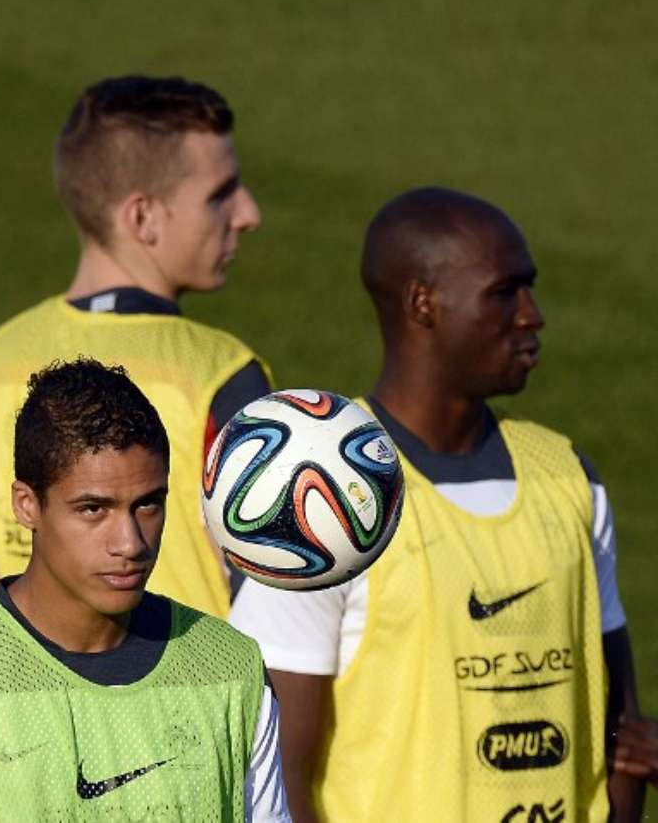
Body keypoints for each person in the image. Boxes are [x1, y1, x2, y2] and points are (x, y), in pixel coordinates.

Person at [228, 186, 645, 821]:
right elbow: (276, 771)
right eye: (505, 292)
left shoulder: (568, 478)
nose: (532, 315)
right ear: (423, 303)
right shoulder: (320, 497)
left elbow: (621, 732)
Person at [0, 359, 289, 821]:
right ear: (26, 505)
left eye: (148, 504)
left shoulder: (231, 670)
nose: (130, 543)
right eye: (93, 509)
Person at [0, 75, 272, 618]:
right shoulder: (222, 375)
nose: (248, 214)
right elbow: (277, 617)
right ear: (142, 217)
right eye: (220, 195)